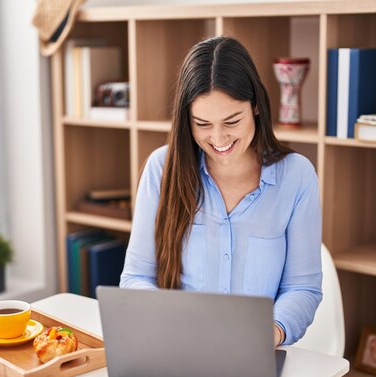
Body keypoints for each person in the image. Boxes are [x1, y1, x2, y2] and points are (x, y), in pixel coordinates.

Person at [120, 36, 322, 347]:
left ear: (255, 105)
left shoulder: (297, 176)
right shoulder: (162, 169)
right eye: (202, 123)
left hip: (258, 354)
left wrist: (274, 330)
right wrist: (165, 319)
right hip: (177, 348)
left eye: (231, 121)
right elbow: (135, 278)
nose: (218, 138)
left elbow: (303, 287)